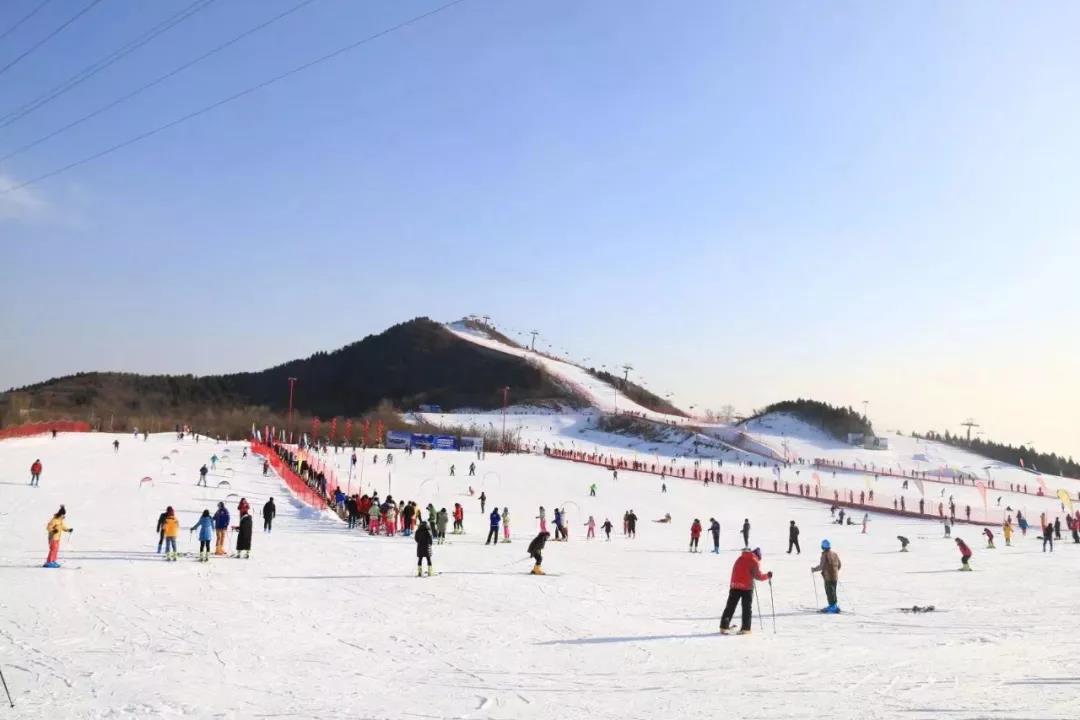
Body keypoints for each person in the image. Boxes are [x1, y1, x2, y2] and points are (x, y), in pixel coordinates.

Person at [719, 547, 772, 635]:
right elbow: (758, 576)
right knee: (746, 608)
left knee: (730, 606)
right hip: (746, 588)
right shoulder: (754, 561)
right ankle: (745, 628)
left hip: (734, 586)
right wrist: (767, 575)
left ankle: (724, 626)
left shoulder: (740, 558)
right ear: (758, 556)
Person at [811, 539, 842, 613]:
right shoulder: (834, 554)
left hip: (828, 577)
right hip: (835, 576)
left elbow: (822, 566)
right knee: (833, 591)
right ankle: (833, 605)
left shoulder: (824, 555)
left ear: (822, 547)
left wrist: (814, 569)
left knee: (829, 591)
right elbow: (839, 565)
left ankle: (832, 607)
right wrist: (835, 570)